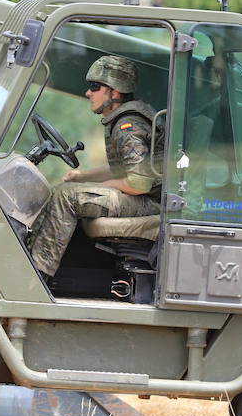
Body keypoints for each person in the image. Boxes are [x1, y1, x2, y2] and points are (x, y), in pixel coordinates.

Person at [27, 55, 162, 279]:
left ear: (115, 92)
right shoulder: (124, 121)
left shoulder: (127, 126)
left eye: (94, 87)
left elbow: (139, 182)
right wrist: (83, 176)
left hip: (152, 203)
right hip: (149, 199)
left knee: (66, 196)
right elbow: (125, 168)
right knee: (69, 189)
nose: (88, 93)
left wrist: (106, 185)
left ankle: (36, 276)